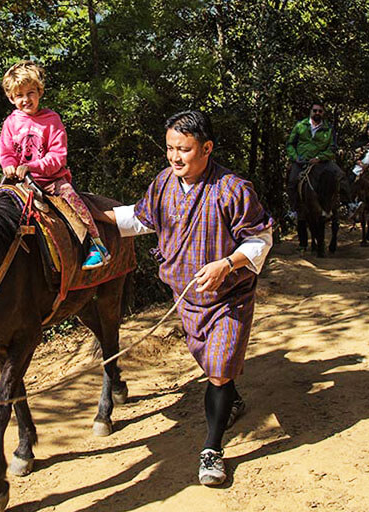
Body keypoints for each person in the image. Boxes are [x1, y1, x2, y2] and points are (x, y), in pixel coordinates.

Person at [104, 111, 274, 486]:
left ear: (207, 148)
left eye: (184, 149)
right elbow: (143, 218)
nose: (174, 157)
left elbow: (261, 240)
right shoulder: (164, 182)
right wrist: (96, 217)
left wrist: (227, 265)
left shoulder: (233, 189)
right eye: (169, 149)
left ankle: (212, 450)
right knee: (213, 365)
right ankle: (231, 396)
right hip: (186, 300)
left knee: (217, 368)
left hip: (230, 297)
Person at [0, 60, 110, 269]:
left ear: (39, 92)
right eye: (19, 95)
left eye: (30, 93)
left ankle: (96, 244)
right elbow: (7, 153)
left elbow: (58, 156)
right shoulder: (10, 123)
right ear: (11, 98)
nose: (26, 99)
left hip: (51, 180)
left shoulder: (51, 120)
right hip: (21, 182)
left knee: (70, 196)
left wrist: (32, 167)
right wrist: (9, 166)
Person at [285, 101, 353, 222]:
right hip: (302, 161)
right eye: (315, 110)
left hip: (322, 162)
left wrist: (320, 158)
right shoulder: (300, 126)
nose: (317, 113)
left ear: (323, 113)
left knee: (341, 176)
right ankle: (293, 210)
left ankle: (347, 205)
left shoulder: (328, 129)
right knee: (292, 181)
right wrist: (295, 157)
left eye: (320, 111)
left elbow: (332, 148)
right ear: (310, 112)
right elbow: (290, 144)